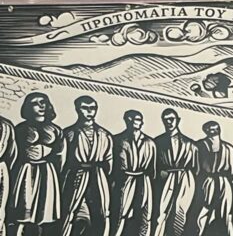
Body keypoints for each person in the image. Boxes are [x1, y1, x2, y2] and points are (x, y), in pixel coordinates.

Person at [59, 95, 113, 236]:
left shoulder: (104, 134)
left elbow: (109, 162)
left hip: (98, 179)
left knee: (99, 214)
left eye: (92, 108)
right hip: (76, 177)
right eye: (85, 107)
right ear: (77, 109)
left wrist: (101, 176)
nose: (89, 111)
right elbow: (62, 161)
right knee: (73, 213)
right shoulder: (69, 133)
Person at [10, 93, 63, 236]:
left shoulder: (56, 130)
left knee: (45, 213)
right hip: (26, 171)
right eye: (35, 103)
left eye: (43, 102)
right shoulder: (20, 129)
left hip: (48, 172)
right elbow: (15, 154)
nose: (41, 106)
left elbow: (60, 155)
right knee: (23, 211)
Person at [112, 110, 157, 236]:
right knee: (120, 214)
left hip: (144, 182)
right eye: (131, 119)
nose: (134, 122)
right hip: (124, 181)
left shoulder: (150, 142)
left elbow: (152, 169)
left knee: (143, 215)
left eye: (137, 119)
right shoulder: (117, 140)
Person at [153, 109, 198, 236]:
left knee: (181, 213)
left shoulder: (190, 143)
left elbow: (195, 168)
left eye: (171, 119)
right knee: (161, 213)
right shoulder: (157, 142)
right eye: (166, 119)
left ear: (178, 120)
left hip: (185, 180)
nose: (169, 122)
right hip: (164, 181)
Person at [194, 121, 233, 235]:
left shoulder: (228, 148)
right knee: (204, 210)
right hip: (207, 181)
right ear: (205, 131)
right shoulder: (199, 146)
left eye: (216, 129)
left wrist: (226, 182)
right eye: (211, 129)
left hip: (224, 182)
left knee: (226, 212)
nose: (214, 131)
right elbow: (196, 168)